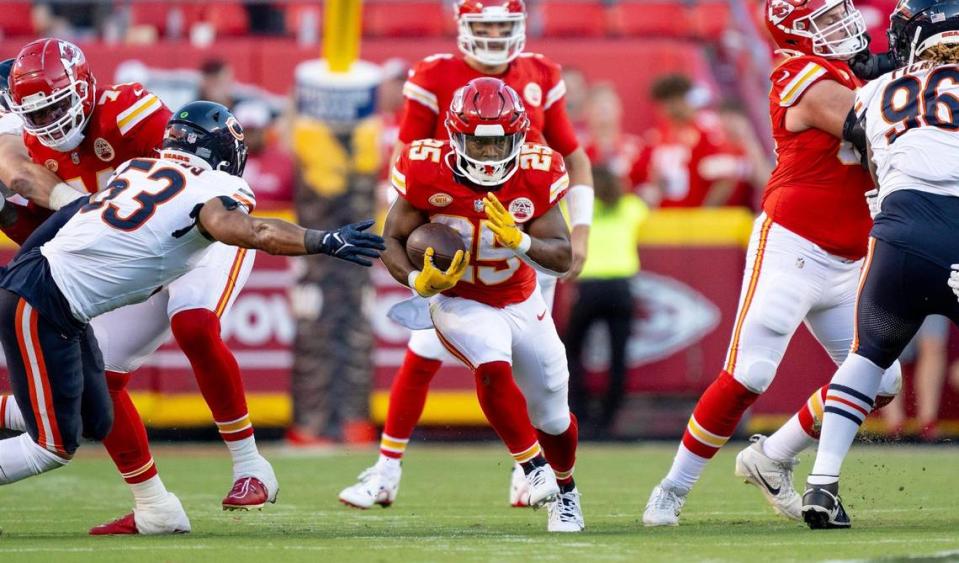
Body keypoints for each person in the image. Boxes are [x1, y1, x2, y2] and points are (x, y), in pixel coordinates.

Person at [0, 101, 384, 521]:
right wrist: (322, 239)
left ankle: (161, 506)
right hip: (42, 302)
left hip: (43, 292)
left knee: (95, 418)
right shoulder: (212, 188)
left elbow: (61, 223)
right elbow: (250, 230)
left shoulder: (131, 172)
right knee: (54, 445)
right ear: (229, 155)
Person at [642, 0, 902, 527]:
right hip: (794, 244)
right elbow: (867, 124)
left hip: (850, 256)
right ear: (796, 33)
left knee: (882, 382)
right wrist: (913, 83)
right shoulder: (798, 70)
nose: (842, 25)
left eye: (840, 14)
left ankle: (773, 456)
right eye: (825, 20)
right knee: (749, 373)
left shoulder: (850, 70)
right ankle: (672, 489)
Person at [0, 38, 269, 535]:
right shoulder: (34, 146)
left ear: (83, 88)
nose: (51, 122)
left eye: (59, 105)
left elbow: (191, 169)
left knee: (193, 325)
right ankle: (155, 507)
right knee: (100, 379)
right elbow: (53, 231)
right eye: (37, 114)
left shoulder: (126, 107)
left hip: (202, 232)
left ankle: (251, 465)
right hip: (136, 256)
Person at [338, 0, 594, 510]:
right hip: (454, 223)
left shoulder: (542, 72)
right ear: (463, 26)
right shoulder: (434, 75)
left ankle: (532, 472)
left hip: (525, 219)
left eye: (505, 24)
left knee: (536, 367)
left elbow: (573, 154)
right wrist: (406, 246)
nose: (496, 35)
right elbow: (406, 155)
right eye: (486, 25)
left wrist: (579, 231)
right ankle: (390, 470)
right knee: (430, 350)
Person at [376, 78, 582, 532]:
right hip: (459, 300)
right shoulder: (424, 169)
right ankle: (533, 470)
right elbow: (390, 238)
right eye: (478, 143)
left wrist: (523, 240)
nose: (489, 155)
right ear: (454, 135)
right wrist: (416, 279)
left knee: (552, 413)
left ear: (518, 138)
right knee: (491, 362)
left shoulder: (538, 171)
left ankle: (566, 491)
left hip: (520, 298)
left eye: (499, 144)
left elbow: (563, 256)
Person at [802, 0, 959, 528]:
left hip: (898, 233)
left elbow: (865, 152)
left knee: (866, 357)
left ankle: (822, 484)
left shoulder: (871, 93)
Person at [565, 166, 648, 436]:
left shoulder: (580, 213)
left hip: (590, 287)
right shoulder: (630, 207)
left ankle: (580, 411)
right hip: (621, 287)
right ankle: (609, 417)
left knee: (571, 351)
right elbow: (649, 207)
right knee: (618, 357)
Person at [634, 74, 739, 208]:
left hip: (697, 217)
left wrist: (706, 214)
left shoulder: (707, 130)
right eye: (664, 102)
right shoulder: (655, 138)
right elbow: (644, 180)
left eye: (674, 100)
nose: (670, 108)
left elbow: (726, 176)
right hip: (666, 219)